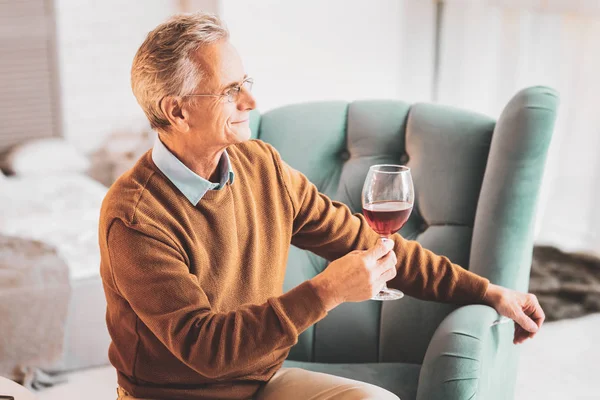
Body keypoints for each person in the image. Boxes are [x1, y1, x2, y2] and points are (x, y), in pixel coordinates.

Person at [99, 11, 545, 400]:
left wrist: (488, 292)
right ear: (176, 111)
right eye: (229, 90)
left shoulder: (262, 166)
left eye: (245, 83)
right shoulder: (135, 218)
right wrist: (326, 291)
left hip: (260, 386)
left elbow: (369, 243)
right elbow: (208, 350)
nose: (250, 102)